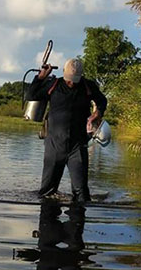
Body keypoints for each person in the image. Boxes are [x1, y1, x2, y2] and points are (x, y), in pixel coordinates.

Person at [28, 58, 107, 203]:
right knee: (47, 193)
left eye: (75, 80)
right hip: (54, 145)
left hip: (77, 146)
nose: (71, 83)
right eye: (69, 79)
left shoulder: (88, 86)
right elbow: (32, 95)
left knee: (82, 195)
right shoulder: (54, 84)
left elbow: (102, 100)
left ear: (81, 76)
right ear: (64, 73)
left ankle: (77, 221)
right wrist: (40, 77)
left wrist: (98, 113)